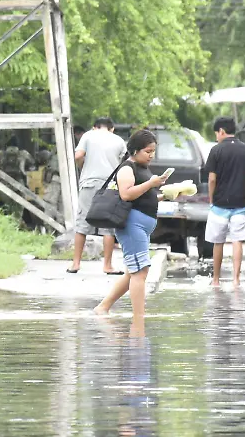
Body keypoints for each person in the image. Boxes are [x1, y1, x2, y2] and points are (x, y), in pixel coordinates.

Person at [94, 130, 169, 336]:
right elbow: (126, 194)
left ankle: (103, 307)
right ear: (135, 150)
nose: (151, 155)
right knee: (140, 272)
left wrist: (164, 195)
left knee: (133, 271)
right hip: (131, 225)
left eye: (153, 151)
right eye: (147, 151)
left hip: (142, 224)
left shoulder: (142, 168)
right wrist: (151, 183)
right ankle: (138, 320)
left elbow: (144, 198)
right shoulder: (127, 168)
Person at [68, 117, 128, 274]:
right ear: (112, 128)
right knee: (108, 226)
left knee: (82, 223)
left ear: (94, 127)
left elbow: (78, 155)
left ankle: (75, 264)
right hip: (110, 185)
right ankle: (107, 266)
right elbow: (124, 163)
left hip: (89, 182)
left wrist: (83, 166)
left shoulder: (88, 135)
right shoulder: (119, 140)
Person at [204, 117, 245, 287]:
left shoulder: (216, 151)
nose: (216, 137)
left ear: (221, 131)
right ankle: (236, 279)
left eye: (216, 134)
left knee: (217, 242)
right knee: (237, 241)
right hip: (241, 204)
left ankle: (216, 280)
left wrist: (211, 199)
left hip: (219, 204)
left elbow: (212, 179)